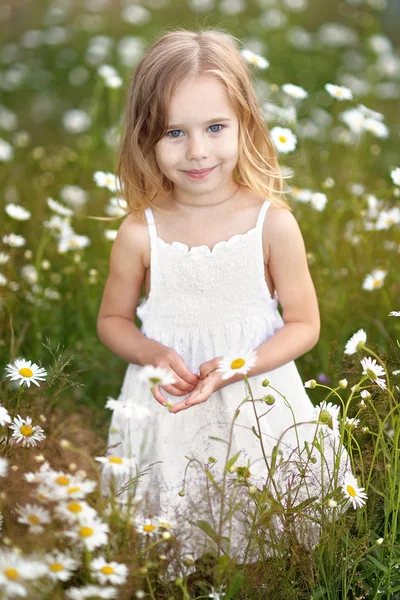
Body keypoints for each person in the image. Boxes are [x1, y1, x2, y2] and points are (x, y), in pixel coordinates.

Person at [97, 28, 351, 562]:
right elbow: (114, 320)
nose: (197, 151)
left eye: (215, 127)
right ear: (146, 136)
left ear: (245, 125)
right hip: (169, 404)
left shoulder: (271, 223)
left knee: (265, 533)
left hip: (256, 402)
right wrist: (152, 353)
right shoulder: (141, 232)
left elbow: (304, 324)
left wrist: (240, 364)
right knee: (171, 541)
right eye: (174, 133)